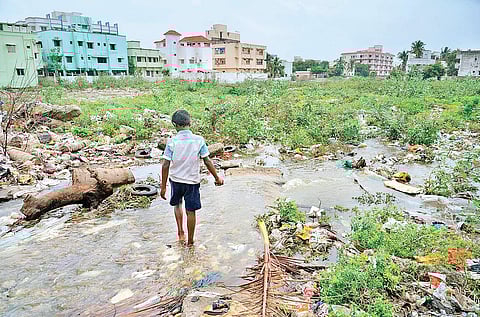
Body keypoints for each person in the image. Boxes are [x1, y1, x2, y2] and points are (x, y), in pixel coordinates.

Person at [160, 109, 224, 247]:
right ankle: (190, 241)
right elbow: (207, 161)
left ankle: (180, 232)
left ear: (174, 124)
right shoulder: (199, 140)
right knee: (191, 211)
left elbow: (165, 165)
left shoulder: (172, 142)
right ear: (190, 122)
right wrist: (217, 178)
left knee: (177, 205)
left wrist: (163, 187)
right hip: (192, 182)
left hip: (176, 180)